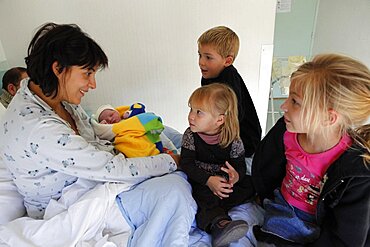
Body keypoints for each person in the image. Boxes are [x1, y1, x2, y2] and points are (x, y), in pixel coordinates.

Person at [0, 22, 195, 246]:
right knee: (176, 186)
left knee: (164, 131)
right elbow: (109, 168)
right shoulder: (38, 128)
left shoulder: (53, 96)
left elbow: (91, 135)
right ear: (58, 68)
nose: (92, 84)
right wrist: (172, 161)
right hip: (70, 202)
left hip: (93, 168)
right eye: (87, 74)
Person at [252, 54, 370, 246]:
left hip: (320, 226)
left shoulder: (358, 170)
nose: (283, 106)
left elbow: (346, 237)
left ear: (328, 118)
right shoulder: (287, 131)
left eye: (295, 101)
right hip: (281, 207)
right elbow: (263, 167)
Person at [180, 83, 255, 247]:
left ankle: (220, 204)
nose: (191, 116)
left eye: (199, 112)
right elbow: (186, 164)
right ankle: (220, 225)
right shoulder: (190, 135)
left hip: (223, 181)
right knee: (203, 196)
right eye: (191, 109)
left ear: (219, 119)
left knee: (250, 183)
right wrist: (208, 180)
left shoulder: (233, 140)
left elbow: (240, 167)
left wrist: (235, 177)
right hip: (202, 179)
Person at [198, 26, 261, 168]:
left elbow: (234, 115)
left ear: (227, 61)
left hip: (246, 138)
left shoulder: (229, 78)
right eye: (200, 55)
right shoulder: (208, 76)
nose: (201, 62)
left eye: (208, 57)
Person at [92, 103, 168, 158]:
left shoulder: (128, 118)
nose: (110, 119)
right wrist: (103, 126)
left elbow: (140, 108)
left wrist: (129, 113)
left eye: (111, 115)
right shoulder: (110, 129)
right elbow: (103, 137)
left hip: (143, 138)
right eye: (106, 120)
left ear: (117, 112)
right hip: (129, 147)